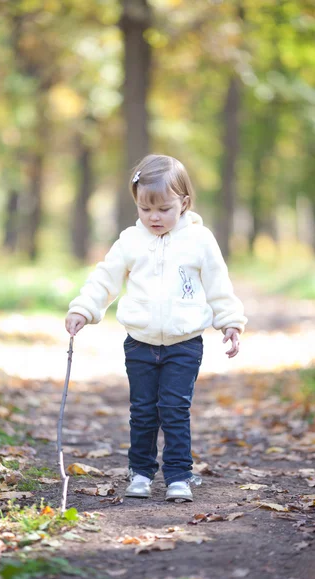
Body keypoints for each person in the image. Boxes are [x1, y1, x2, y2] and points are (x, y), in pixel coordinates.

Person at [65, 154, 247, 502]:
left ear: (184, 203)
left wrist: (230, 322)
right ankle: (141, 472)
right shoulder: (130, 241)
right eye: (145, 209)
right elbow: (105, 279)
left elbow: (218, 284)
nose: (154, 217)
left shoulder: (199, 240)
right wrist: (83, 309)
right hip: (140, 343)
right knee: (144, 410)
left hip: (185, 343)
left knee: (175, 409)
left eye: (163, 208)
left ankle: (179, 474)